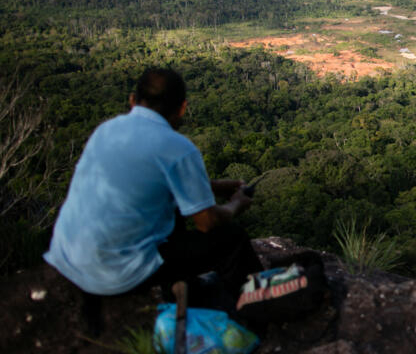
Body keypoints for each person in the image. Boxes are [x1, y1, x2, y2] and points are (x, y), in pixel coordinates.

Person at [44, 68, 262, 325]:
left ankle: (188, 289)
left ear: (133, 100)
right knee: (232, 238)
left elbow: (147, 180)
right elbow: (207, 223)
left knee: (172, 210)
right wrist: (236, 204)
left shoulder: (106, 130)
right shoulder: (178, 148)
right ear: (182, 108)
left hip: (68, 259)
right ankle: (256, 310)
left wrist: (210, 186)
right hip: (115, 274)